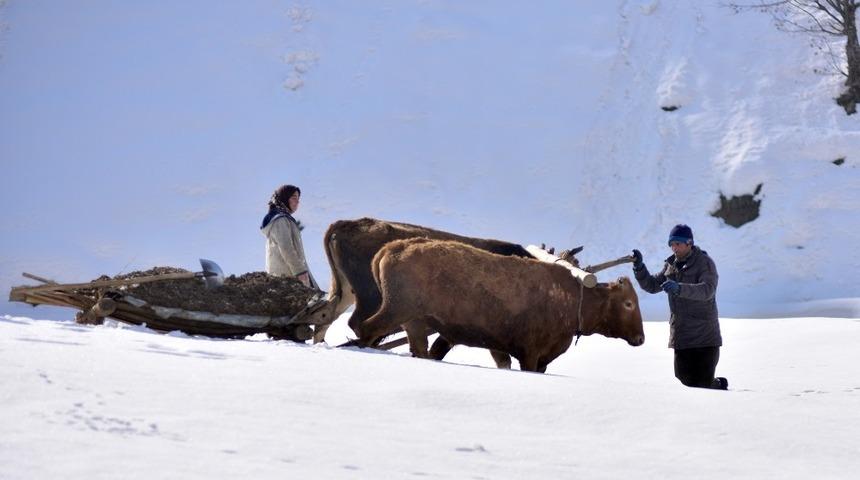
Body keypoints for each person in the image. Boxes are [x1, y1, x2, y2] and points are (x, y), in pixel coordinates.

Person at [631, 224, 728, 390]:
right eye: (671, 244)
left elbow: (707, 290)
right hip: (682, 336)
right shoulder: (671, 265)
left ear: (689, 243)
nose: (674, 248)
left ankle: (718, 385)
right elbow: (652, 285)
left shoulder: (705, 263)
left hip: (704, 335)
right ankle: (713, 383)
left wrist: (679, 288)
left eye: (678, 244)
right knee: (684, 377)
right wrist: (639, 268)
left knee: (703, 382)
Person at [260, 184, 319, 290]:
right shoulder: (280, 220)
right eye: (294, 198)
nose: (297, 202)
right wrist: (300, 271)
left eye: (298, 199)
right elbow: (286, 248)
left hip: (290, 275)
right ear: (284, 198)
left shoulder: (285, 219)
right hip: (286, 278)